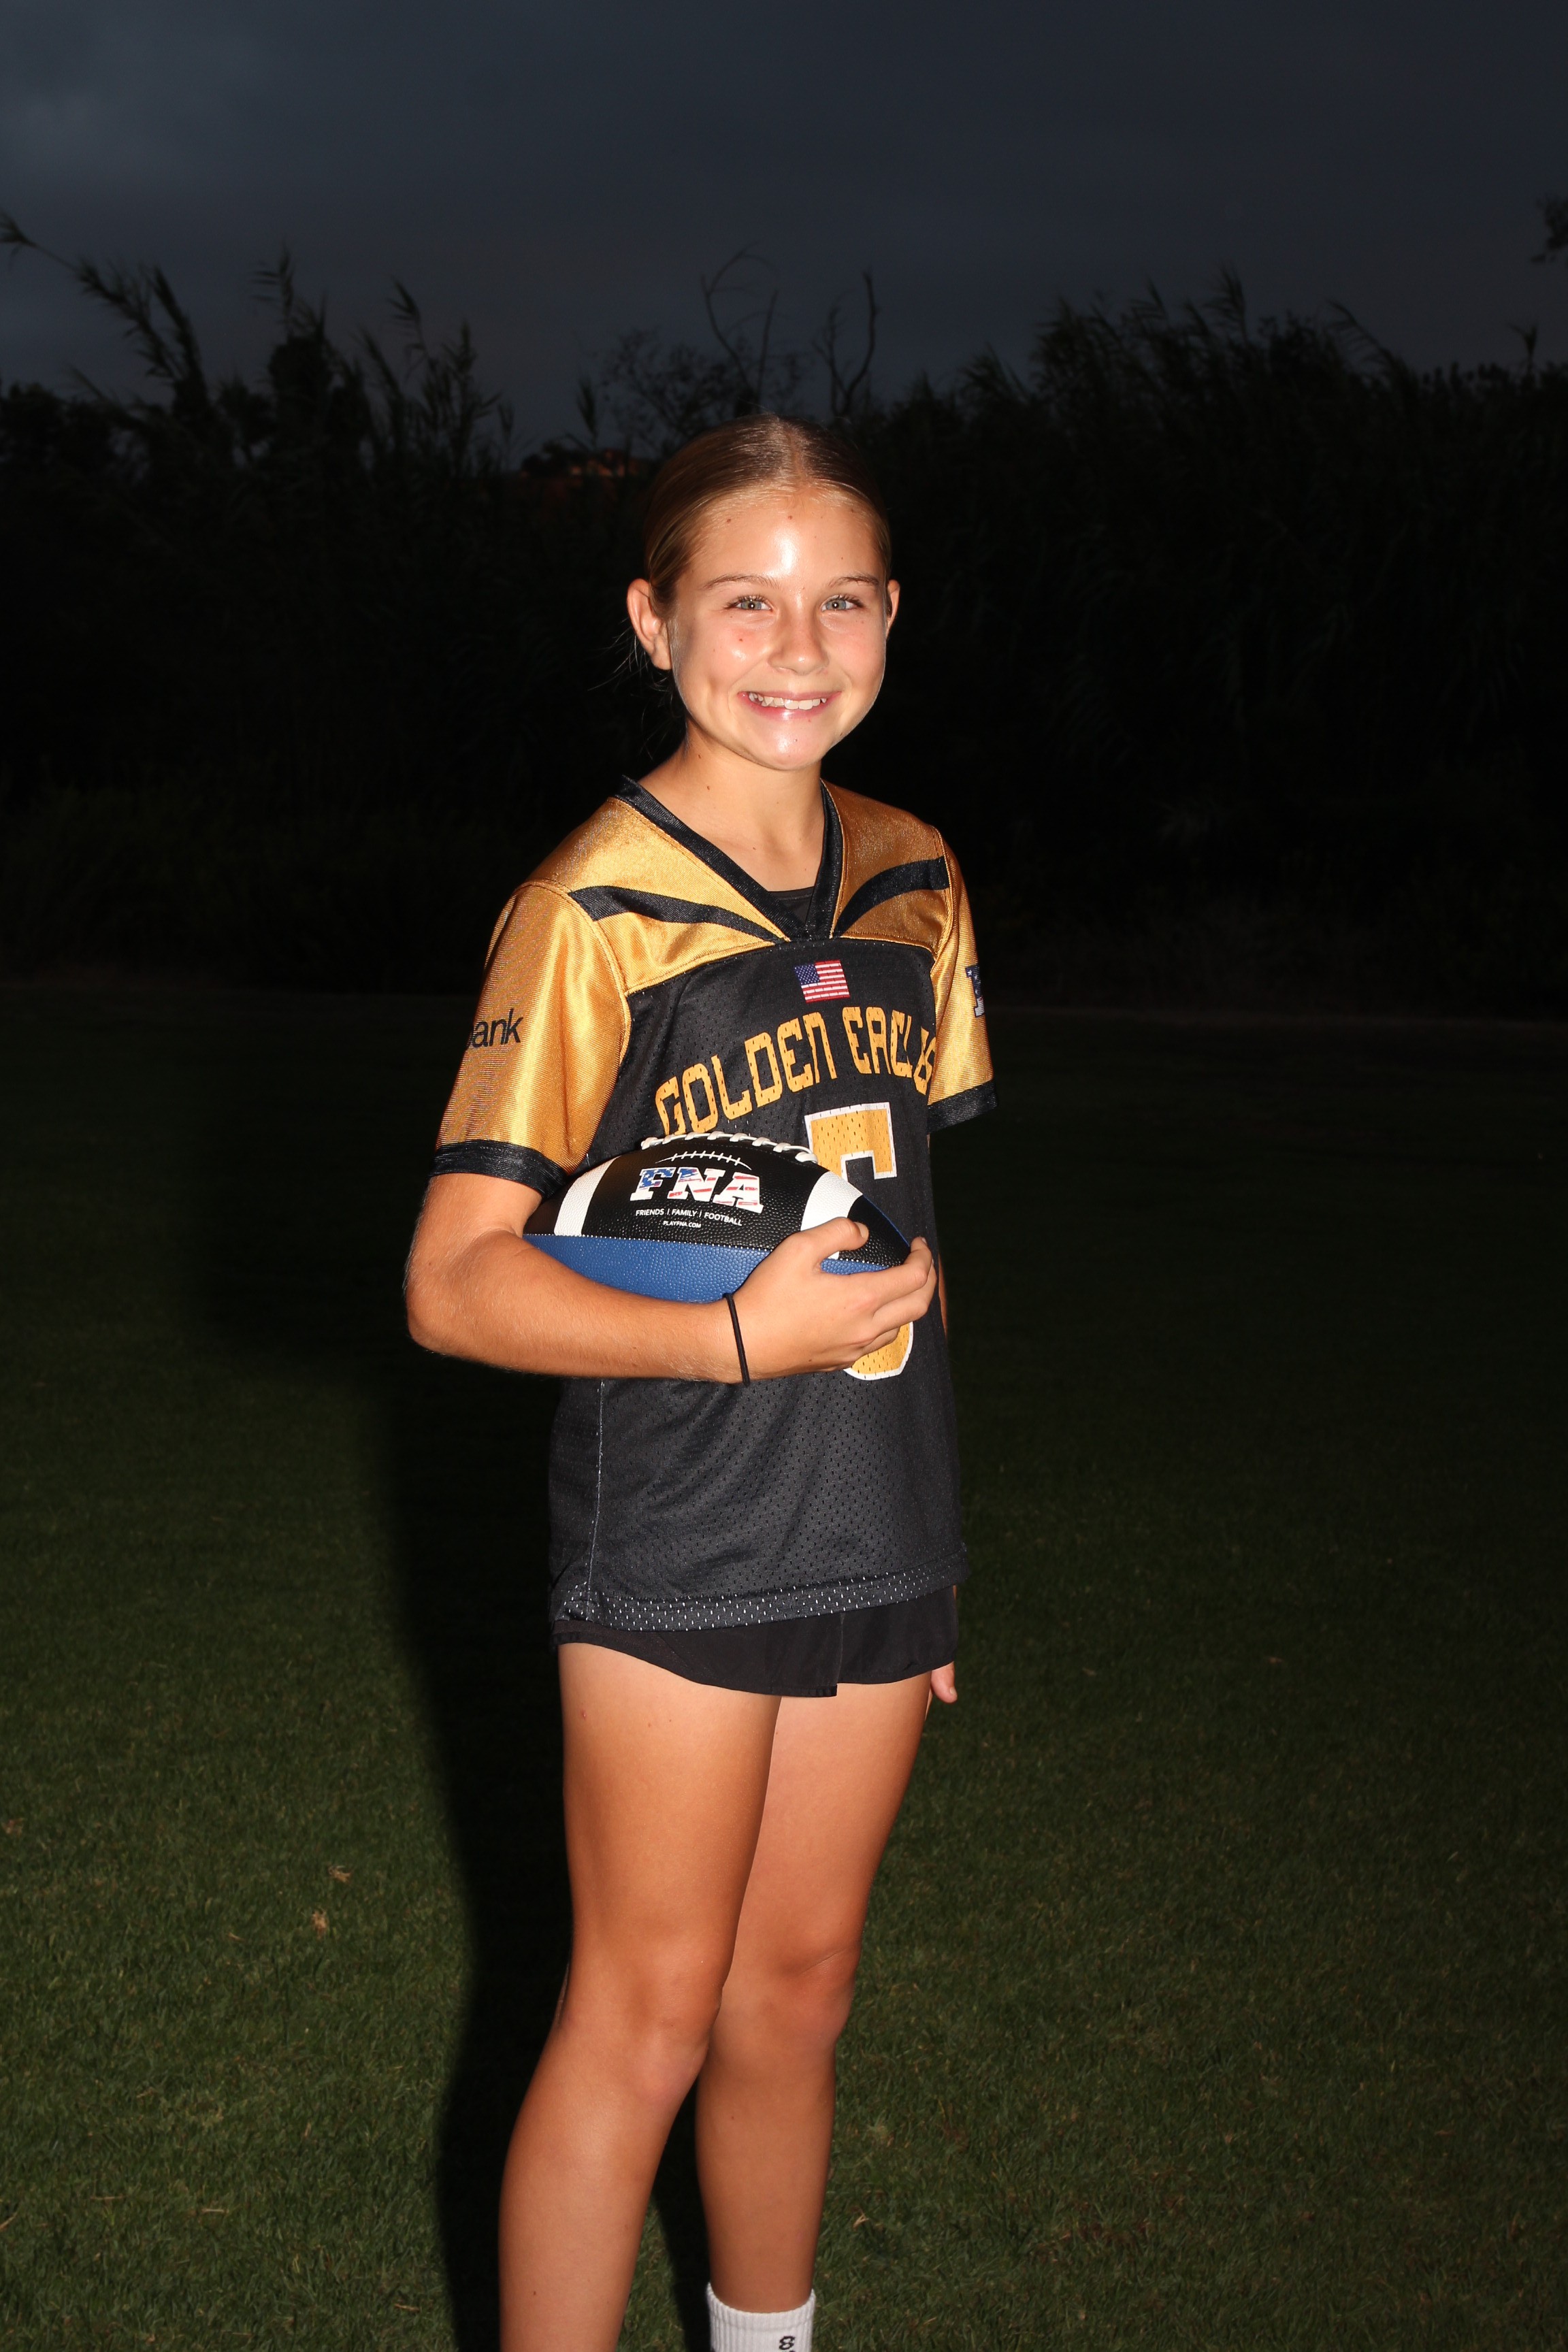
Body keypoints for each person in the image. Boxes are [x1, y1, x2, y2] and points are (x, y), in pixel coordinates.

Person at [404, 413, 994, 2352]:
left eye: (843, 602)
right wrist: (735, 1338)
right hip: (679, 1523)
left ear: (892, 616)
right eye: (746, 603)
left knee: (797, 1995)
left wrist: (931, 1552)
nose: (796, 648)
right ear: (656, 623)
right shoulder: (591, 904)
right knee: (646, 2015)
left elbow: (909, 1236)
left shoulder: (917, 874)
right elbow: (454, 1286)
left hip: (875, 1512)